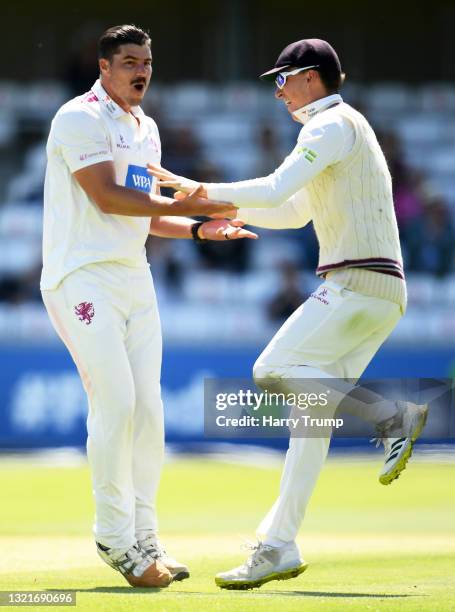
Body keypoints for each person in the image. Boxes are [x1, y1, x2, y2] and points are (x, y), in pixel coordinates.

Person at [148, 38, 428, 590]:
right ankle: (277, 546)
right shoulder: (339, 129)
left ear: (311, 78)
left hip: (356, 282)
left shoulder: (330, 125)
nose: (278, 92)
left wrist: (200, 192)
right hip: (378, 290)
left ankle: (390, 416)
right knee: (310, 420)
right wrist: (222, 209)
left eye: (283, 80)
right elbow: (296, 211)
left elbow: (278, 188)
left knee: (270, 370)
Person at [40, 24, 256, 589]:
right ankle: (115, 539)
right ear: (105, 66)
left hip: (134, 278)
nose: (141, 71)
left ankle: (146, 538)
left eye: (148, 62)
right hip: (80, 277)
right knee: (115, 402)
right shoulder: (78, 118)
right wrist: (200, 196)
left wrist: (200, 230)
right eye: (130, 61)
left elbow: (142, 213)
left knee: (149, 412)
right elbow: (108, 197)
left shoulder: (146, 128)